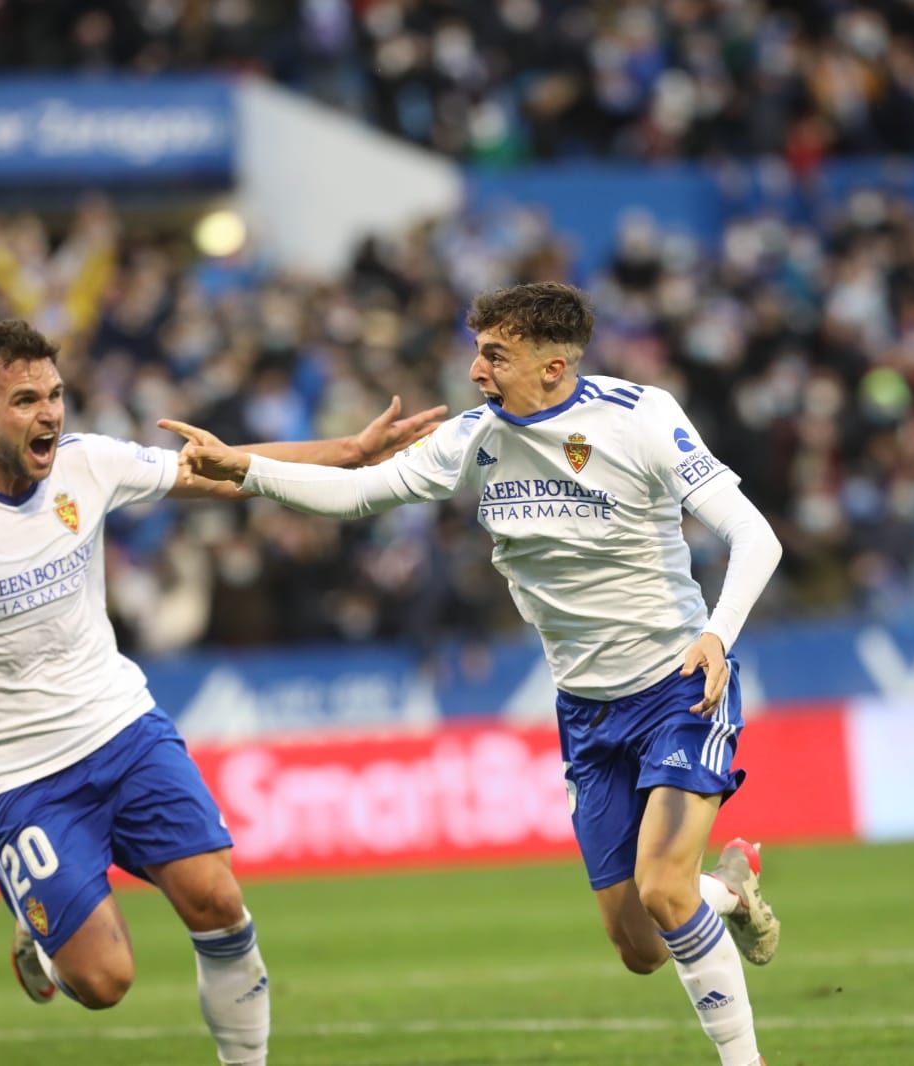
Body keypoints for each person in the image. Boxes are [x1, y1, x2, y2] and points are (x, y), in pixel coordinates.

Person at [0, 319, 442, 1065]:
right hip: (16, 776)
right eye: (26, 399)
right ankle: (44, 940)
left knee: (217, 900)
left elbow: (218, 468)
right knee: (103, 981)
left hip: (122, 728)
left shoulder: (89, 462)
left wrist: (348, 453)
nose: (50, 414)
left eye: (55, 395)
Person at [163, 282, 783, 1066]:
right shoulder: (475, 438)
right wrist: (242, 467)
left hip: (679, 686)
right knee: (640, 946)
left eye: (496, 355)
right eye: (478, 350)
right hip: (587, 713)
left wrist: (719, 636)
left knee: (664, 889)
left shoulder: (642, 417)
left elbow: (756, 537)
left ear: (554, 368)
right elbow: (357, 492)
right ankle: (728, 888)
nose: (476, 371)